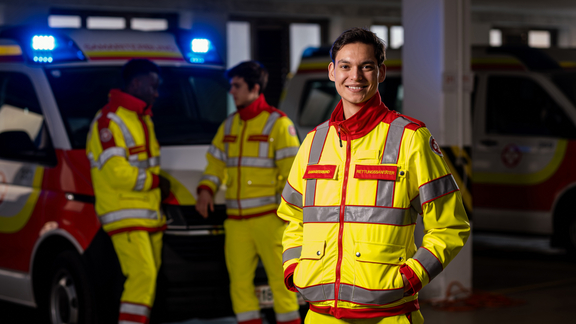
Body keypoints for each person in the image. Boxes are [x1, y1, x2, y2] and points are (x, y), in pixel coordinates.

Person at [277, 27, 470, 324]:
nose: (354, 76)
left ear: (381, 72)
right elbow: (292, 218)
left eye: (366, 66)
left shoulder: (410, 138)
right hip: (321, 315)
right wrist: (294, 268)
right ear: (332, 72)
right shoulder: (314, 143)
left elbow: (450, 225)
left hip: (389, 314)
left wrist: (410, 278)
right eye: (345, 66)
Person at [196, 61, 302, 324]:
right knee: (240, 285)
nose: (231, 91)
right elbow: (215, 164)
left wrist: (285, 217)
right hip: (236, 222)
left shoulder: (279, 124)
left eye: (237, 86)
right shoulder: (229, 125)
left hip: (270, 220)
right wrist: (206, 190)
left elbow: (294, 175)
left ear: (255, 88)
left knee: (283, 283)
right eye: (231, 86)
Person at [86, 59, 171, 324]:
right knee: (142, 275)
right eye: (152, 87)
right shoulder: (108, 121)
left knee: (147, 279)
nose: (156, 93)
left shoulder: (141, 118)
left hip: (149, 214)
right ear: (135, 83)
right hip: (124, 212)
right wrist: (157, 183)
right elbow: (117, 173)